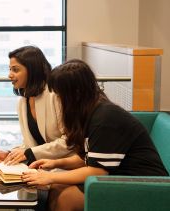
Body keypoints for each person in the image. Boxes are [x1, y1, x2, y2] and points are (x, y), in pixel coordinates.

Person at [22, 59, 169, 211]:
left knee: (66, 199)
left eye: (60, 95)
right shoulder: (90, 111)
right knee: (54, 188)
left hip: (144, 184)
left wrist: (49, 176)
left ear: (76, 93)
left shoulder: (105, 118)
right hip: (118, 176)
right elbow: (87, 159)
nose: (58, 100)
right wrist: (56, 163)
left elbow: (97, 170)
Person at [0, 46, 72, 165]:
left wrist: (29, 153)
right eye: (9, 69)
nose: (9, 75)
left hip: (66, 165)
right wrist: (9, 154)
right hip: (41, 167)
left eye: (15, 70)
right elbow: (31, 144)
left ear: (33, 70)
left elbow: (70, 141)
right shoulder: (23, 102)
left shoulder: (54, 95)